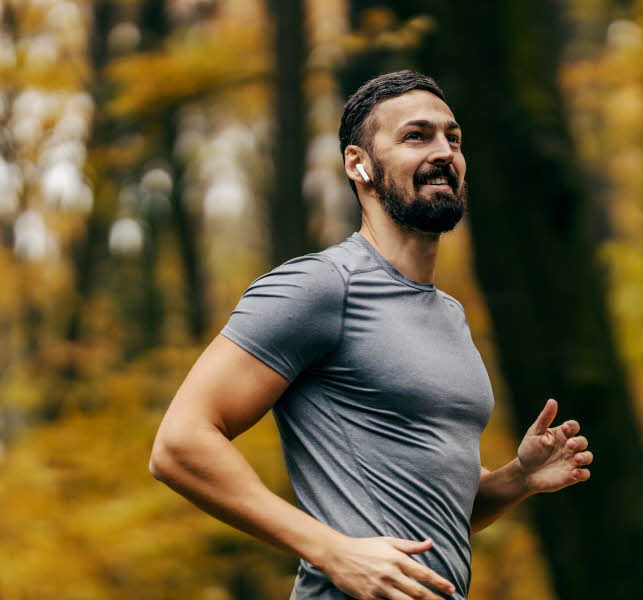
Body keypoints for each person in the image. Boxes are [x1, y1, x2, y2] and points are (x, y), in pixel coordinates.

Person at [149, 70, 593, 600]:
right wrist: (330, 549)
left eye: (453, 138)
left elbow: (428, 518)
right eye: (416, 136)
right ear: (358, 164)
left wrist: (516, 479)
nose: (444, 152)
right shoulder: (320, 286)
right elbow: (179, 444)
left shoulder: (448, 314)